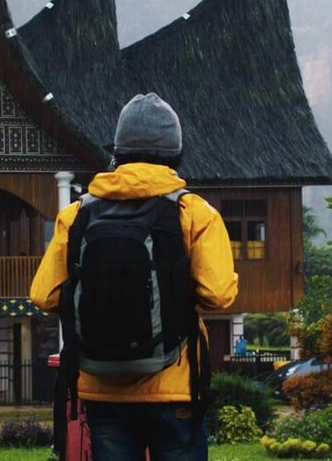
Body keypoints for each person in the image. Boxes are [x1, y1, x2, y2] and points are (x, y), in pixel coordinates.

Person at [30, 93, 238, 461]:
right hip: (175, 387)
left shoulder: (78, 213)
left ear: (118, 152)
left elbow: (43, 295)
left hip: (102, 388)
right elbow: (218, 295)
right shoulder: (194, 212)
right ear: (175, 153)